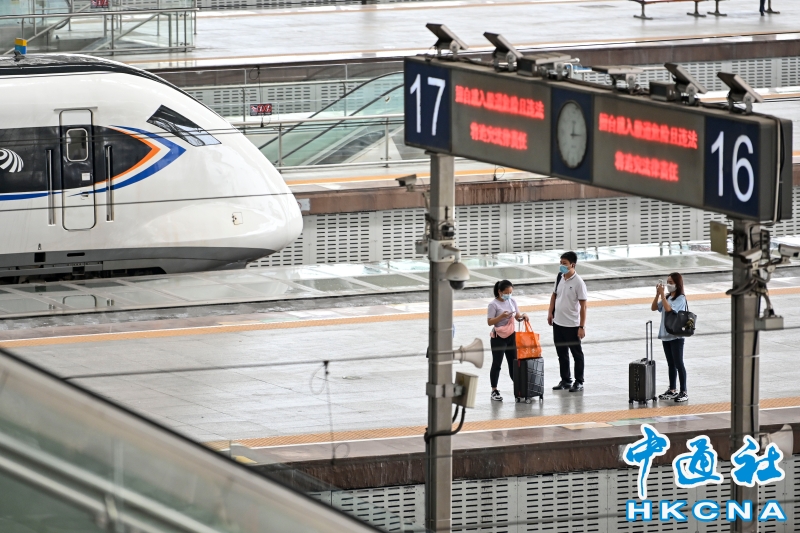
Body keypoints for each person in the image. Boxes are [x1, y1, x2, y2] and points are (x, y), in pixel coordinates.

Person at [548, 251, 588, 392]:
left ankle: (579, 381)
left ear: (573, 265)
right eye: (561, 263)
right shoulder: (560, 277)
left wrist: (581, 326)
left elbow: (583, 306)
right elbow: (554, 295)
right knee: (562, 354)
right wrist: (550, 312)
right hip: (558, 323)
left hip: (572, 325)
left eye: (564, 263)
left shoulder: (579, 283)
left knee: (577, 354)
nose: (562, 266)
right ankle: (565, 380)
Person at [487, 279, 528, 401]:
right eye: (506, 293)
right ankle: (494, 390)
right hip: (498, 338)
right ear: (500, 292)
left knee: (514, 363)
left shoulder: (512, 301)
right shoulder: (493, 304)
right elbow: (490, 322)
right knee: (497, 364)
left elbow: (517, 316)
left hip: (511, 336)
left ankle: (519, 387)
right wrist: (501, 316)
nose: (509, 295)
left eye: (510, 292)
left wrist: (523, 316)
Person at [651, 272, 688, 403]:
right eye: (667, 282)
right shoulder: (667, 297)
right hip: (666, 334)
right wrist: (658, 294)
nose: (668, 285)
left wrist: (662, 295)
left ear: (678, 284)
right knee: (671, 363)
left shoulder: (680, 298)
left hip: (676, 336)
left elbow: (669, 310)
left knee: (679, 363)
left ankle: (684, 391)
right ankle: (672, 389)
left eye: (671, 282)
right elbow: (654, 307)